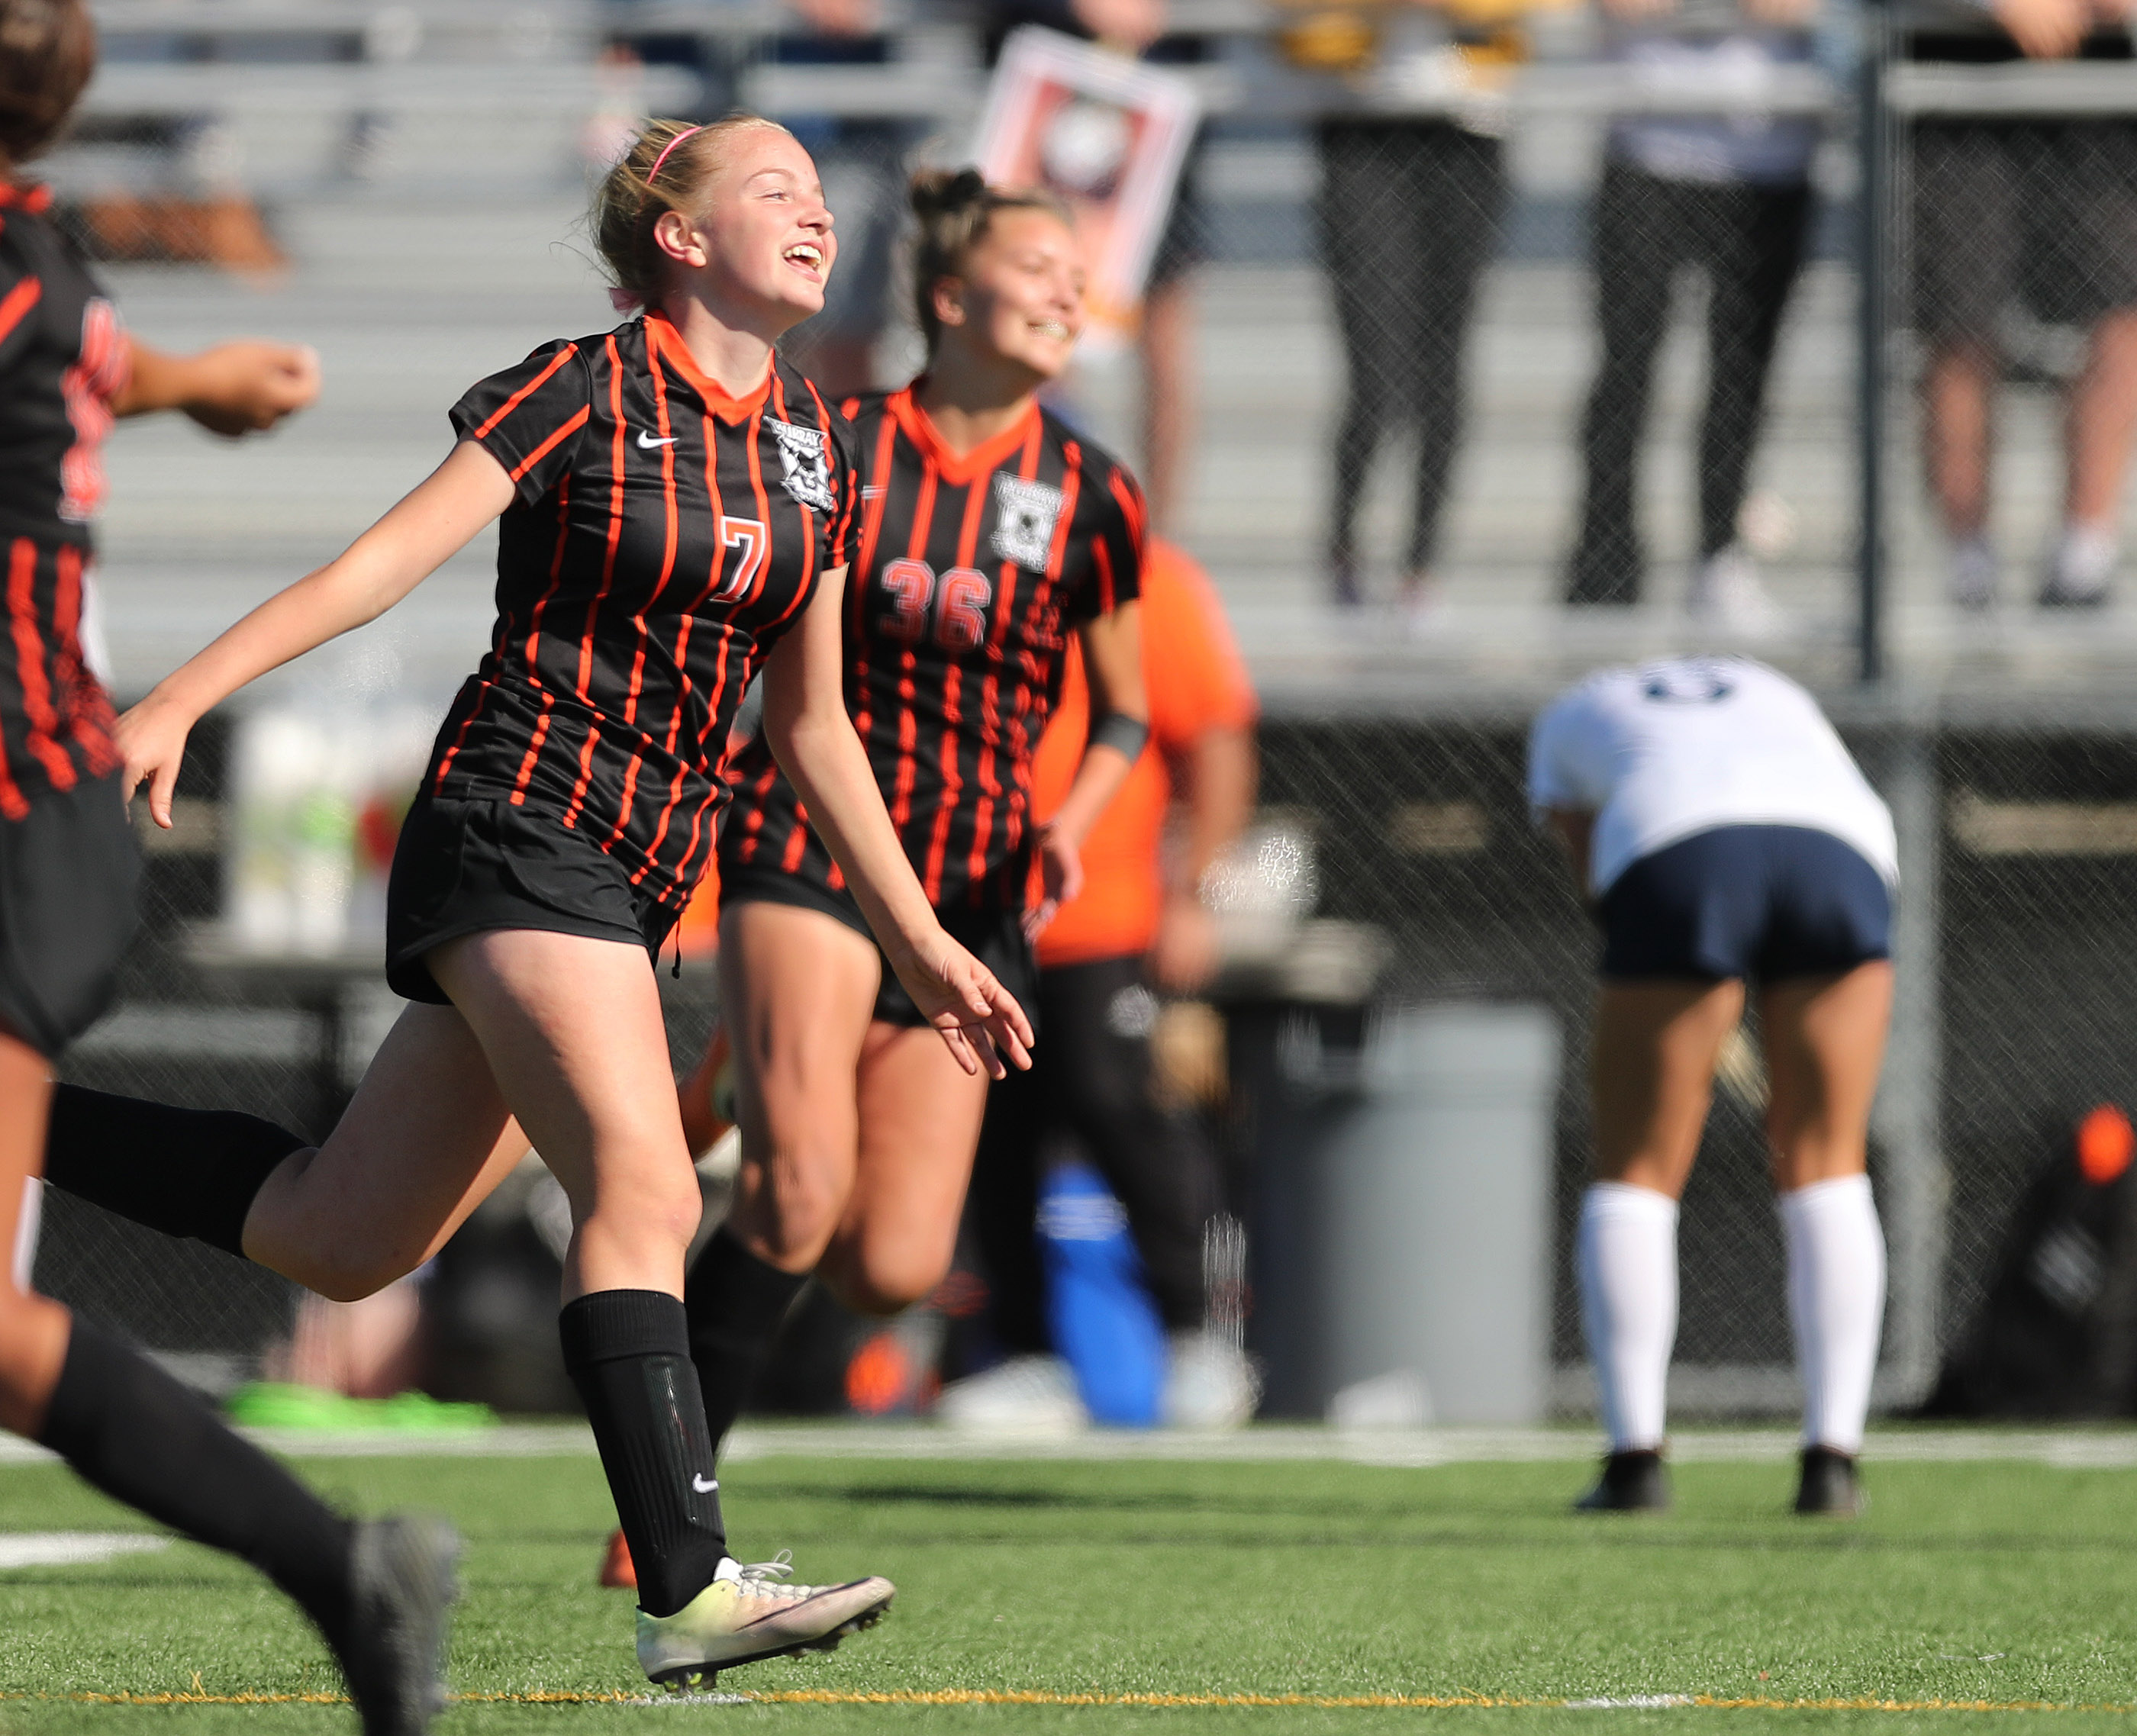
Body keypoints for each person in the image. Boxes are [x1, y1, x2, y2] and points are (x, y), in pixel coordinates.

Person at [40, 115, 1035, 1689]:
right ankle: (687, 1592)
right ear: (681, 236)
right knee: (645, 1184)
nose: (816, 214)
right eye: (773, 189)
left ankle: (14, 1118)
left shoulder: (815, 443)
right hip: (520, 820)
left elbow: (814, 726)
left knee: (341, 1235)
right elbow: (374, 569)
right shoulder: (580, 386)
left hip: (636, 872)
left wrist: (921, 942)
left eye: (818, 193)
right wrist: (177, 699)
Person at [0, 2, 459, 1728]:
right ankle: (344, 1572)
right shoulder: (42, 253)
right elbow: (99, 362)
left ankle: (341, 1570)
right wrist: (204, 386)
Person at [669, 166, 1146, 1499]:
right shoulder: (836, 444)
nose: (1066, 291)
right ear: (949, 295)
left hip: (973, 887)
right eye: (1035, 266)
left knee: (890, 1264)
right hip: (812, 853)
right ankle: (666, 1504)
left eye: (1077, 275)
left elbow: (1125, 710)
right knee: (795, 1196)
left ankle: (741, 1078)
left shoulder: (1093, 493)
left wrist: (1072, 824)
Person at [1528, 656, 1896, 1517]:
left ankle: (1634, 1461)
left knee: (1636, 1172)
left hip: (1677, 845)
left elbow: (1593, 871)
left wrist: (1681, 958)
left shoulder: (1567, 717)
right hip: (1841, 848)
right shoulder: (1772, 685)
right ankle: (1832, 1461)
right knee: (1828, 1162)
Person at [946, 535, 1259, 1428]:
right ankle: (1025, 1354)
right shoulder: (947, 544)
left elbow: (1214, 737)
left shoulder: (1142, 573)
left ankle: (1198, 1336)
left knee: (1122, 1110)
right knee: (994, 1135)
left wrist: (1193, 891)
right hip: (968, 918)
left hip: (1104, 916)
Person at [1563, 0, 1821, 626]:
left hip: (1767, 156)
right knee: (1627, 368)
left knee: (1741, 374)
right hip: (1648, 143)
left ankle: (1719, 559)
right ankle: (1604, 570)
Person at [1301, 0, 1538, 614]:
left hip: (1468, 131)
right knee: (1376, 368)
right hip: (1363, 125)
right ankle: (1344, 555)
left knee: (1443, 362)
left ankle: (1421, 572)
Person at [1905, 0, 2137, 609]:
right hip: (1957, 90)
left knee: (2123, 316)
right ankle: (1969, 563)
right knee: (1959, 327)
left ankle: (2083, 557)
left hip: (2097, 95)